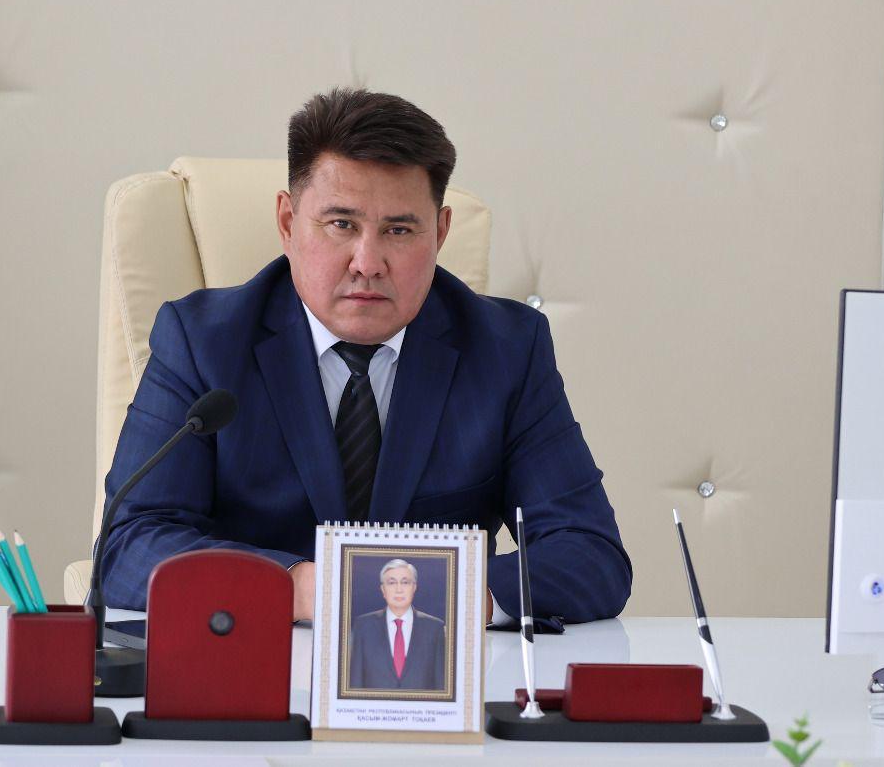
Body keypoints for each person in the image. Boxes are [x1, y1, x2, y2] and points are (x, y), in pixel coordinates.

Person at [100, 87, 631, 624]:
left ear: (440, 232)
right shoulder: (203, 342)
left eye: (399, 230)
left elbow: (590, 555)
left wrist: (432, 593)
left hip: (432, 663)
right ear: (287, 222)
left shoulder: (507, 349)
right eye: (342, 225)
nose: (368, 262)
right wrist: (299, 587)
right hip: (256, 659)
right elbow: (128, 545)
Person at [347, 559, 445, 691]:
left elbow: (441, 684)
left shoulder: (434, 628)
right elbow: (355, 681)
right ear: (383, 589)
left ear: (414, 587)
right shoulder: (363, 626)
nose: (399, 589)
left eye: (405, 582)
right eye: (392, 583)